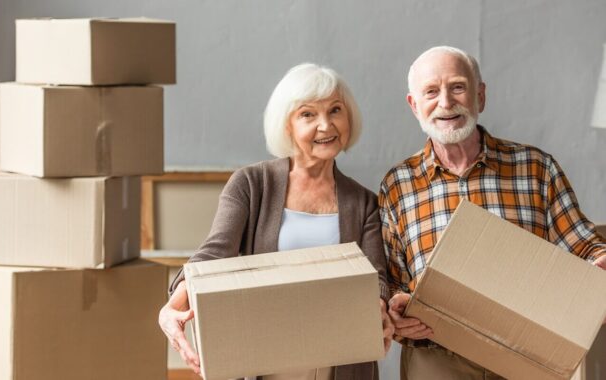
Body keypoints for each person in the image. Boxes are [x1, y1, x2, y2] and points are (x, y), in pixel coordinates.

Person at [378, 46, 606, 379]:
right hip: (436, 359)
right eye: (431, 92)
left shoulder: (535, 168)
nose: (445, 102)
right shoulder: (397, 184)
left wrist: (600, 263)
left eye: (458, 87)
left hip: (526, 356)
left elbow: (584, 245)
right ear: (414, 106)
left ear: (480, 96)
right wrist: (397, 310)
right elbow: (393, 279)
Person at [159, 63, 394, 380]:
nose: (326, 125)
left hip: (342, 363)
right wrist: (173, 305)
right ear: (287, 126)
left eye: (335, 110)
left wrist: (380, 307)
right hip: (268, 361)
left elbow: (376, 278)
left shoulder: (364, 202)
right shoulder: (251, 184)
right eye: (308, 114)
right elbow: (215, 252)